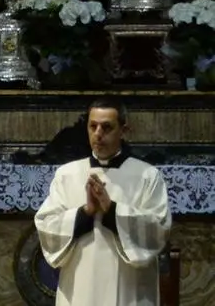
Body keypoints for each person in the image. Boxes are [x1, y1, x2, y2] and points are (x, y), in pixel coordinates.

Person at [34, 98, 172, 306]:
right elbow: (47, 226)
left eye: (107, 127)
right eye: (93, 126)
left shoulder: (147, 176)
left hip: (129, 288)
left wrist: (112, 210)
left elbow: (158, 229)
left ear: (124, 131)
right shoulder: (67, 175)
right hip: (80, 286)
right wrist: (84, 213)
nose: (98, 134)